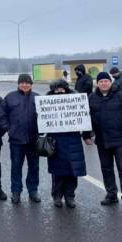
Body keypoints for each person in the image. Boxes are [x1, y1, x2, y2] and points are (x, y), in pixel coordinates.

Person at [84, 72, 122, 213]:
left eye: (106, 81)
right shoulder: (92, 98)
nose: (103, 83)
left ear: (111, 82)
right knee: (106, 169)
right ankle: (112, 194)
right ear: (98, 83)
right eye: (101, 81)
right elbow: (85, 117)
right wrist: (86, 135)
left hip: (120, 140)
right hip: (102, 141)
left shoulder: (121, 96)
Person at [0, 74, 40, 204]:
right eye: (22, 82)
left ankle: (33, 190)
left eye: (27, 82)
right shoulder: (10, 97)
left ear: (31, 84)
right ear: (18, 84)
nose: (25, 85)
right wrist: (9, 129)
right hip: (16, 140)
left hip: (34, 139)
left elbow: (47, 116)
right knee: (16, 167)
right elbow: (2, 115)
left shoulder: (38, 98)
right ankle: (16, 192)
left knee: (34, 166)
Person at [46, 80, 86, 208]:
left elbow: (84, 117)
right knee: (57, 171)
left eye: (62, 88)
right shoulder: (46, 102)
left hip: (72, 139)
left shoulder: (76, 99)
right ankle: (57, 196)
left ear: (66, 89)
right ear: (53, 90)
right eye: (56, 89)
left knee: (72, 171)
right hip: (55, 140)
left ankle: (70, 196)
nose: (59, 91)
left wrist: (87, 134)